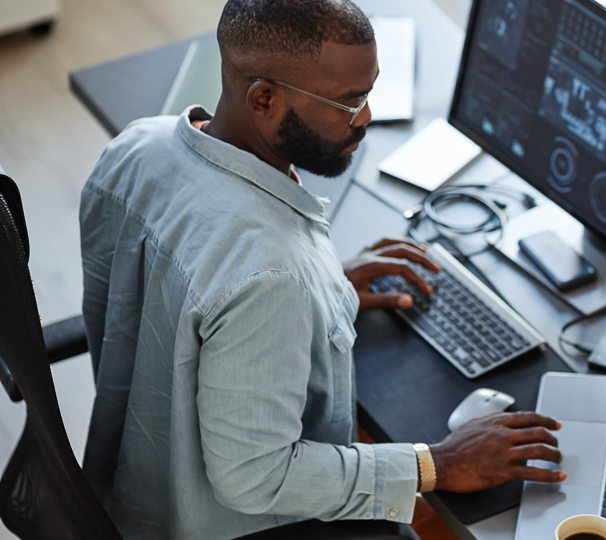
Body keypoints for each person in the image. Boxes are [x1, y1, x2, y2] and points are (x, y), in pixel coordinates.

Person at [78, 1, 565, 539]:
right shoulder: (271, 274)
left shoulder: (135, 146)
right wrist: (437, 465)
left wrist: (324, 291)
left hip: (125, 481)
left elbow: (175, 294)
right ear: (264, 98)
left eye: (370, 92)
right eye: (349, 102)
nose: (367, 118)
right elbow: (255, 478)